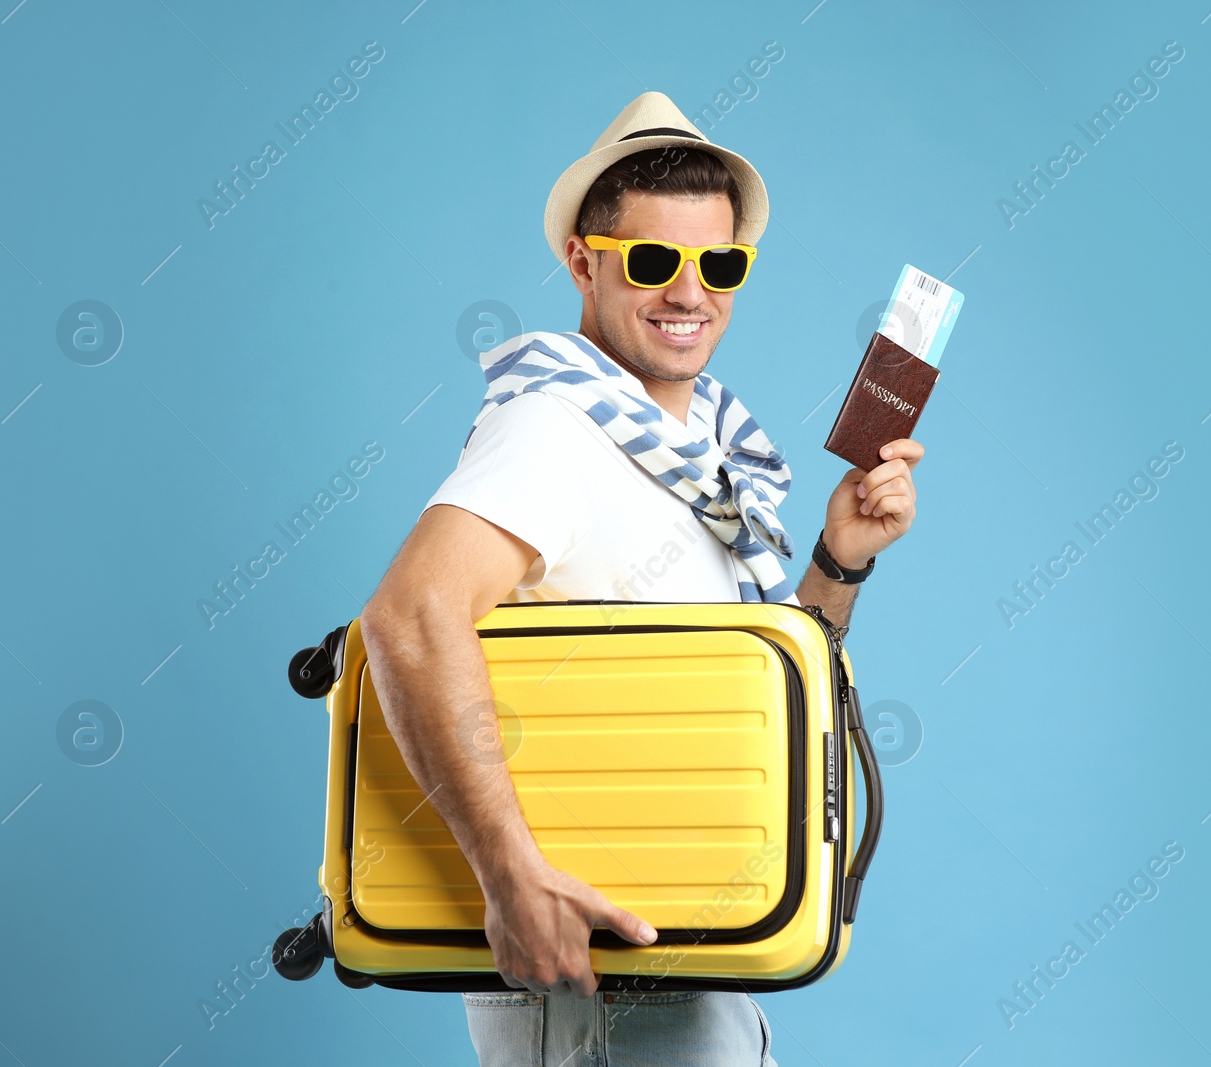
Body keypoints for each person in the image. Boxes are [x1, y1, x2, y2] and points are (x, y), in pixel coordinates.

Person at [360, 90, 923, 1067]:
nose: (688, 292)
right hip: (591, 968)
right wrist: (511, 880)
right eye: (653, 260)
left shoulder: (705, 460)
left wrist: (838, 560)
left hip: (694, 963)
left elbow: (751, 694)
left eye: (719, 263)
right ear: (584, 260)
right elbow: (409, 617)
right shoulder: (553, 424)